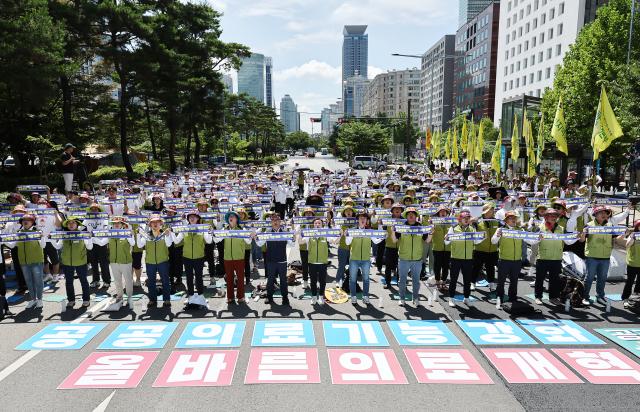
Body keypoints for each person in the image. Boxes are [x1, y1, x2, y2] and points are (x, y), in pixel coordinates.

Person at [579, 205, 628, 306]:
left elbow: (617, 240)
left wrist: (624, 233)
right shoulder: (589, 225)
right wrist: (583, 233)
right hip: (592, 256)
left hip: (605, 256)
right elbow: (582, 240)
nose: (604, 215)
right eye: (601, 213)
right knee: (589, 278)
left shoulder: (610, 225)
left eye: (606, 213)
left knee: (602, 278)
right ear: (596, 214)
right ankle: (585, 296)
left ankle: (600, 296)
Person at [531, 208, 577, 306]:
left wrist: (577, 237)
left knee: (554, 280)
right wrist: (537, 238)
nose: (553, 218)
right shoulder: (540, 227)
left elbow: (568, 241)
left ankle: (553, 297)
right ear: (546, 217)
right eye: (551, 216)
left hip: (556, 258)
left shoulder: (561, 228)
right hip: (543, 257)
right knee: (539, 279)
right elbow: (533, 242)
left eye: (555, 216)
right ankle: (538, 297)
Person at [390, 207, 432, 307]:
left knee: (416, 281)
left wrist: (430, 233)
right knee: (402, 280)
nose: (411, 215)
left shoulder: (421, 227)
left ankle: (416, 298)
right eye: (409, 214)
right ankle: (402, 298)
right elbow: (394, 240)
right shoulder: (402, 227)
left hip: (417, 259)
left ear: (416, 216)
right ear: (406, 216)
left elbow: (427, 240)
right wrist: (392, 231)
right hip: (404, 258)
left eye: (413, 213)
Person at [3, 214, 47, 309]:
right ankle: (33, 299)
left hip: (36, 260)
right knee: (29, 281)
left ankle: (39, 299)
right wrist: (3, 240)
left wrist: (42, 237)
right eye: (23, 220)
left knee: (38, 281)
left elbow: (43, 246)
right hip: (24, 261)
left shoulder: (37, 231)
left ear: (32, 222)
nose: (25, 221)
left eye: (28, 220)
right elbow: (12, 245)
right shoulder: (18, 232)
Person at [444, 210, 485, 307]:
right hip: (456, 258)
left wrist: (482, 237)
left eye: (468, 218)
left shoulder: (472, 228)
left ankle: (466, 298)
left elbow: (476, 242)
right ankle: (451, 298)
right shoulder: (453, 228)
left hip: (468, 259)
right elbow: (446, 243)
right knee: (453, 279)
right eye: (464, 218)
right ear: (460, 219)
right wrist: (446, 238)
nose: (466, 220)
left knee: (467, 280)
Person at [51, 216, 93, 308]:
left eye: (73, 222)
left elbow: (90, 247)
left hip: (81, 262)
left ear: (77, 224)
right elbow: (58, 247)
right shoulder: (64, 234)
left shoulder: (83, 234)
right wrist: (51, 239)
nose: (71, 224)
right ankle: (71, 300)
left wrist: (90, 239)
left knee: (84, 281)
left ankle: (86, 299)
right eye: (69, 223)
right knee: (69, 282)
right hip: (67, 263)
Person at [491, 211, 529, 308]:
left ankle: (512, 299)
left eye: (514, 218)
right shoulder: (501, 229)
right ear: (506, 220)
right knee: (501, 281)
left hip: (516, 260)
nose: (513, 220)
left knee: (514, 281)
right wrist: (497, 235)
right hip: (504, 260)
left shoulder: (520, 230)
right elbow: (493, 241)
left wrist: (538, 238)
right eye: (510, 218)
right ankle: (500, 298)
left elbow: (530, 240)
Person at [174, 211, 213, 305]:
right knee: (189, 277)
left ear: (198, 219)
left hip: (199, 257)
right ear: (188, 219)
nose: (192, 218)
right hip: (186, 257)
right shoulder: (184, 229)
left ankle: (201, 296)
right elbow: (176, 241)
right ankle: (190, 296)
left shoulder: (202, 228)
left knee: (199, 277)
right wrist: (171, 233)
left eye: (194, 217)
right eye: (190, 217)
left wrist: (209, 232)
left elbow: (209, 241)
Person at [345, 212, 384, 304]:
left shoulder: (369, 231)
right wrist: (347, 235)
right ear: (358, 220)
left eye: (364, 218)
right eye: (361, 218)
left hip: (366, 259)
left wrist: (383, 236)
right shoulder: (352, 230)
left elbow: (376, 241)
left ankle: (365, 296)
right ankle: (353, 296)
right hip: (354, 259)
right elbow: (347, 243)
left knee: (366, 279)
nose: (362, 220)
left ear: (367, 221)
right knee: (353, 279)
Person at [256, 212, 294, 305]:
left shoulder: (285, 232)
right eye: (273, 220)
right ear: (271, 222)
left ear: (280, 221)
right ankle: (269, 297)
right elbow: (259, 243)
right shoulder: (267, 232)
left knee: (283, 281)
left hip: (282, 260)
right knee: (270, 280)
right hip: (271, 260)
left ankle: (285, 298)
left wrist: (293, 238)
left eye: (277, 220)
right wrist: (255, 237)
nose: (275, 222)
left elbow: (292, 244)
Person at [298, 217, 337, 305]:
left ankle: (321, 297)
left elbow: (335, 242)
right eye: (315, 223)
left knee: (323, 281)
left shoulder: (326, 234)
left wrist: (341, 235)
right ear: (313, 225)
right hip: (312, 262)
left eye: (319, 223)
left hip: (323, 262)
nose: (317, 225)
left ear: (322, 225)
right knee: (313, 281)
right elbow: (300, 242)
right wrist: (300, 234)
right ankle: (314, 296)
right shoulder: (309, 234)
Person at [136, 214, 173, 309]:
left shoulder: (164, 233)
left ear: (161, 223)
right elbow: (139, 246)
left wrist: (168, 235)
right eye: (153, 222)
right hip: (150, 262)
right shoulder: (146, 235)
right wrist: (138, 234)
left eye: (157, 222)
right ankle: (152, 299)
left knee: (165, 281)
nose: (155, 224)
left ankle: (167, 299)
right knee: (151, 282)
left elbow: (169, 244)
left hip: (163, 261)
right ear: (150, 224)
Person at [215, 211, 251, 304]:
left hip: (239, 258)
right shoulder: (224, 229)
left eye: (233, 216)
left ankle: (240, 297)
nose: (231, 218)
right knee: (229, 279)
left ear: (236, 219)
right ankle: (230, 297)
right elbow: (217, 239)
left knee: (240, 278)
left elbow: (248, 242)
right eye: (229, 216)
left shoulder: (242, 230)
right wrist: (213, 234)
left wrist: (251, 235)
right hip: (227, 258)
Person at [106, 216, 135, 307]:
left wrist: (128, 234)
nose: (117, 224)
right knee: (117, 281)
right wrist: (92, 236)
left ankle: (129, 297)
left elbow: (133, 243)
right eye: (115, 223)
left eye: (118, 223)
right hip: (114, 261)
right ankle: (119, 296)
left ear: (122, 224)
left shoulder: (127, 232)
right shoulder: (110, 234)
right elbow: (102, 242)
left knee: (128, 280)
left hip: (125, 262)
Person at [623, 220, 640, 307]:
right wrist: (633, 238)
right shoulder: (633, 235)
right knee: (630, 282)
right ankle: (625, 298)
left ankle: (636, 299)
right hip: (633, 263)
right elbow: (627, 245)